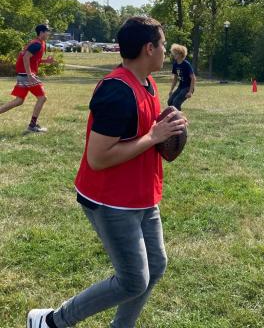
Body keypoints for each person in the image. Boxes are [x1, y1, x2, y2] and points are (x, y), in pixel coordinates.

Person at [27, 17, 187, 328]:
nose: (166, 50)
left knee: (154, 266)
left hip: (141, 196)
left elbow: (146, 133)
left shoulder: (147, 83)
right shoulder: (116, 91)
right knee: (132, 280)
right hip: (110, 200)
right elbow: (98, 158)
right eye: (163, 44)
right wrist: (154, 136)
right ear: (148, 48)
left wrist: (169, 129)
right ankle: (51, 322)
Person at [0, 24, 55, 132]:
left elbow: (32, 59)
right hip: (27, 75)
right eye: (47, 31)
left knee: (18, 101)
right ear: (42, 32)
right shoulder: (37, 44)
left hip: (22, 75)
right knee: (42, 98)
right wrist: (30, 75)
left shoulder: (38, 43)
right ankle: (32, 126)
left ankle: (32, 125)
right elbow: (25, 57)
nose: (49, 33)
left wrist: (45, 61)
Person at [167, 44, 195, 111]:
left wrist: (190, 92)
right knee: (170, 102)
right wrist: (171, 90)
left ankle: (179, 119)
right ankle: (174, 117)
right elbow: (175, 78)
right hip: (181, 87)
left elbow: (193, 78)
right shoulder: (175, 64)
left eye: (175, 53)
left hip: (187, 87)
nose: (174, 55)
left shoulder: (186, 64)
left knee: (176, 103)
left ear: (180, 54)